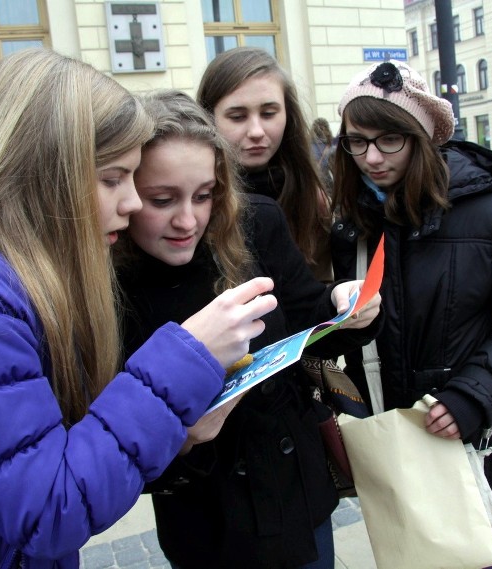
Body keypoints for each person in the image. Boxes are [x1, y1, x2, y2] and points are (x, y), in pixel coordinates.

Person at [0, 49, 278, 569]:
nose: (131, 203)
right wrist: (185, 361)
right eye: (113, 178)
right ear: (47, 172)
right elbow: (49, 510)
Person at [114, 90, 382, 569]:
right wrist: (181, 433)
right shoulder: (108, 280)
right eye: (161, 199)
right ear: (126, 193)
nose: (187, 220)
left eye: (204, 195)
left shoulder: (256, 221)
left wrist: (348, 306)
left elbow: (311, 322)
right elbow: (108, 447)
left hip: (294, 494)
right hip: (209, 523)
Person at [329, 60, 492, 563]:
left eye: (388, 139)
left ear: (420, 137)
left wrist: (473, 394)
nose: (371, 157)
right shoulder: (349, 223)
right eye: (356, 140)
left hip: (466, 437)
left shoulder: (488, 214)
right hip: (386, 443)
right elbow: (339, 342)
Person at [197, 47, 333, 282]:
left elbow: (317, 292)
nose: (256, 131)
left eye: (269, 113)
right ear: (208, 118)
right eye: (237, 117)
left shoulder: (311, 200)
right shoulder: (194, 203)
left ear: (288, 115)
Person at [311, 117, 336, 193]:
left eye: (322, 127)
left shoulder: (308, 144)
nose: (321, 130)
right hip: (322, 178)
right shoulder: (331, 144)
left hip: (317, 179)